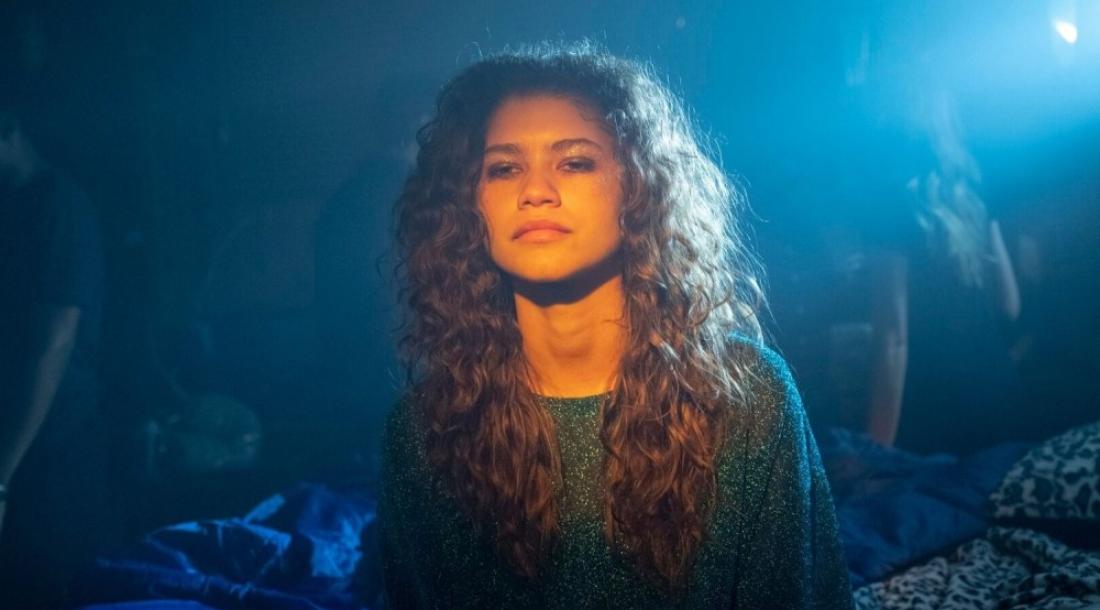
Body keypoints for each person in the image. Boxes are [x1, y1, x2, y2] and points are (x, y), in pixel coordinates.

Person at [378, 44, 853, 608]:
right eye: (504, 168)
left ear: (639, 187)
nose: (536, 192)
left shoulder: (746, 396)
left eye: (574, 162)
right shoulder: (424, 431)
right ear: (468, 205)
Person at [864, 92, 1024, 454]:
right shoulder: (972, 193)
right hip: (998, 392)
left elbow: (893, 339)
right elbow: (1010, 304)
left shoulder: (891, 206)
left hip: (935, 405)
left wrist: (876, 450)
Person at [0, 105, 111, 608]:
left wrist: (3, 474)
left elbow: (55, 342)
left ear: (8, 129)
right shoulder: (13, 208)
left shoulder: (58, 205)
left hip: (54, 448)